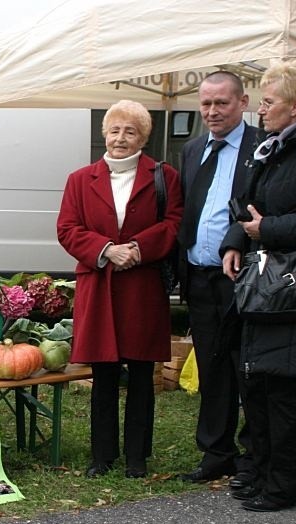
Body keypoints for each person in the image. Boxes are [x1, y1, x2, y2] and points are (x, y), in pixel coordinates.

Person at [57, 99, 182, 478]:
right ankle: (102, 455)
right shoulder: (80, 179)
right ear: (104, 134)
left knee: (142, 374)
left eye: (130, 131)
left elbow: (174, 223)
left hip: (142, 287)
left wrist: (139, 249)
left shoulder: (165, 176)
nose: (120, 138)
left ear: (143, 136)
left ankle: (136, 458)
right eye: (114, 130)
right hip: (99, 284)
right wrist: (106, 250)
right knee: (104, 373)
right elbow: (67, 229)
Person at [221, 60, 296, 511]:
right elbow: (246, 204)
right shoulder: (272, 146)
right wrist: (235, 241)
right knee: (257, 381)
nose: (260, 110)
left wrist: (268, 230)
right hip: (264, 283)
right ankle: (261, 472)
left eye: (268, 102)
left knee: (283, 386)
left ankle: (283, 486)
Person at [177, 71, 259, 485]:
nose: (212, 111)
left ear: (243, 102)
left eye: (221, 103)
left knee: (247, 366)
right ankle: (216, 453)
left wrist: (238, 242)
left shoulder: (262, 146)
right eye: (206, 103)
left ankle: (252, 456)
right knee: (212, 368)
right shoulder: (193, 150)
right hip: (200, 276)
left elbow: (261, 206)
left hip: (243, 276)